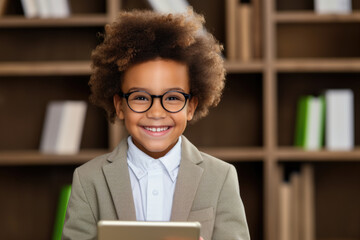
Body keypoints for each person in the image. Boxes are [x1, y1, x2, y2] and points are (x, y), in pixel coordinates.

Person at [62, 9, 250, 240]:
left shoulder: (221, 177)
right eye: (140, 97)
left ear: (190, 107)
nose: (156, 112)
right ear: (120, 105)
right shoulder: (88, 179)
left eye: (172, 98)